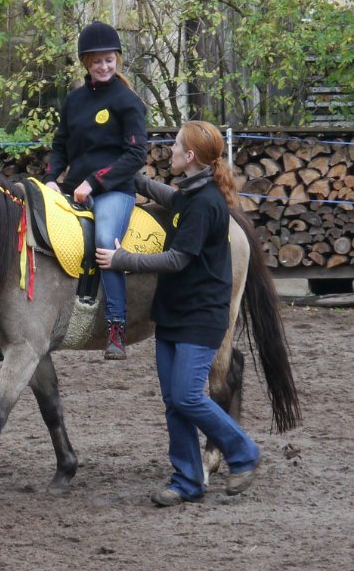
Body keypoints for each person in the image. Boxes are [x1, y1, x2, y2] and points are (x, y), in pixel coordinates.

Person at [95, 120, 261, 506]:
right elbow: (169, 197)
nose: (169, 150)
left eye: (175, 145)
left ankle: (243, 451)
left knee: (187, 396)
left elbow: (177, 259)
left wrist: (122, 259)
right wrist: (129, 175)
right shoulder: (191, 192)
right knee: (174, 402)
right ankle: (187, 480)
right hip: (172, 313)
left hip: (200, 316)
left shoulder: (206, 203)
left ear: (190, 156)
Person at [0, 20, 148, 363]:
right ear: (86, 62)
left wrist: (95, 182)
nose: (104, 66)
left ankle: (116, 325)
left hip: (114, 190)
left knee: (105, 243)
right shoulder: (75, 100)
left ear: (117, 59)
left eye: (109, 60)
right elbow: (61, 145)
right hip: (74, 190)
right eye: (97, 61)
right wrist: (52, 177)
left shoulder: (128, 101)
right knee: (27, 230)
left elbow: (136, 154)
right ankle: (16, 329)